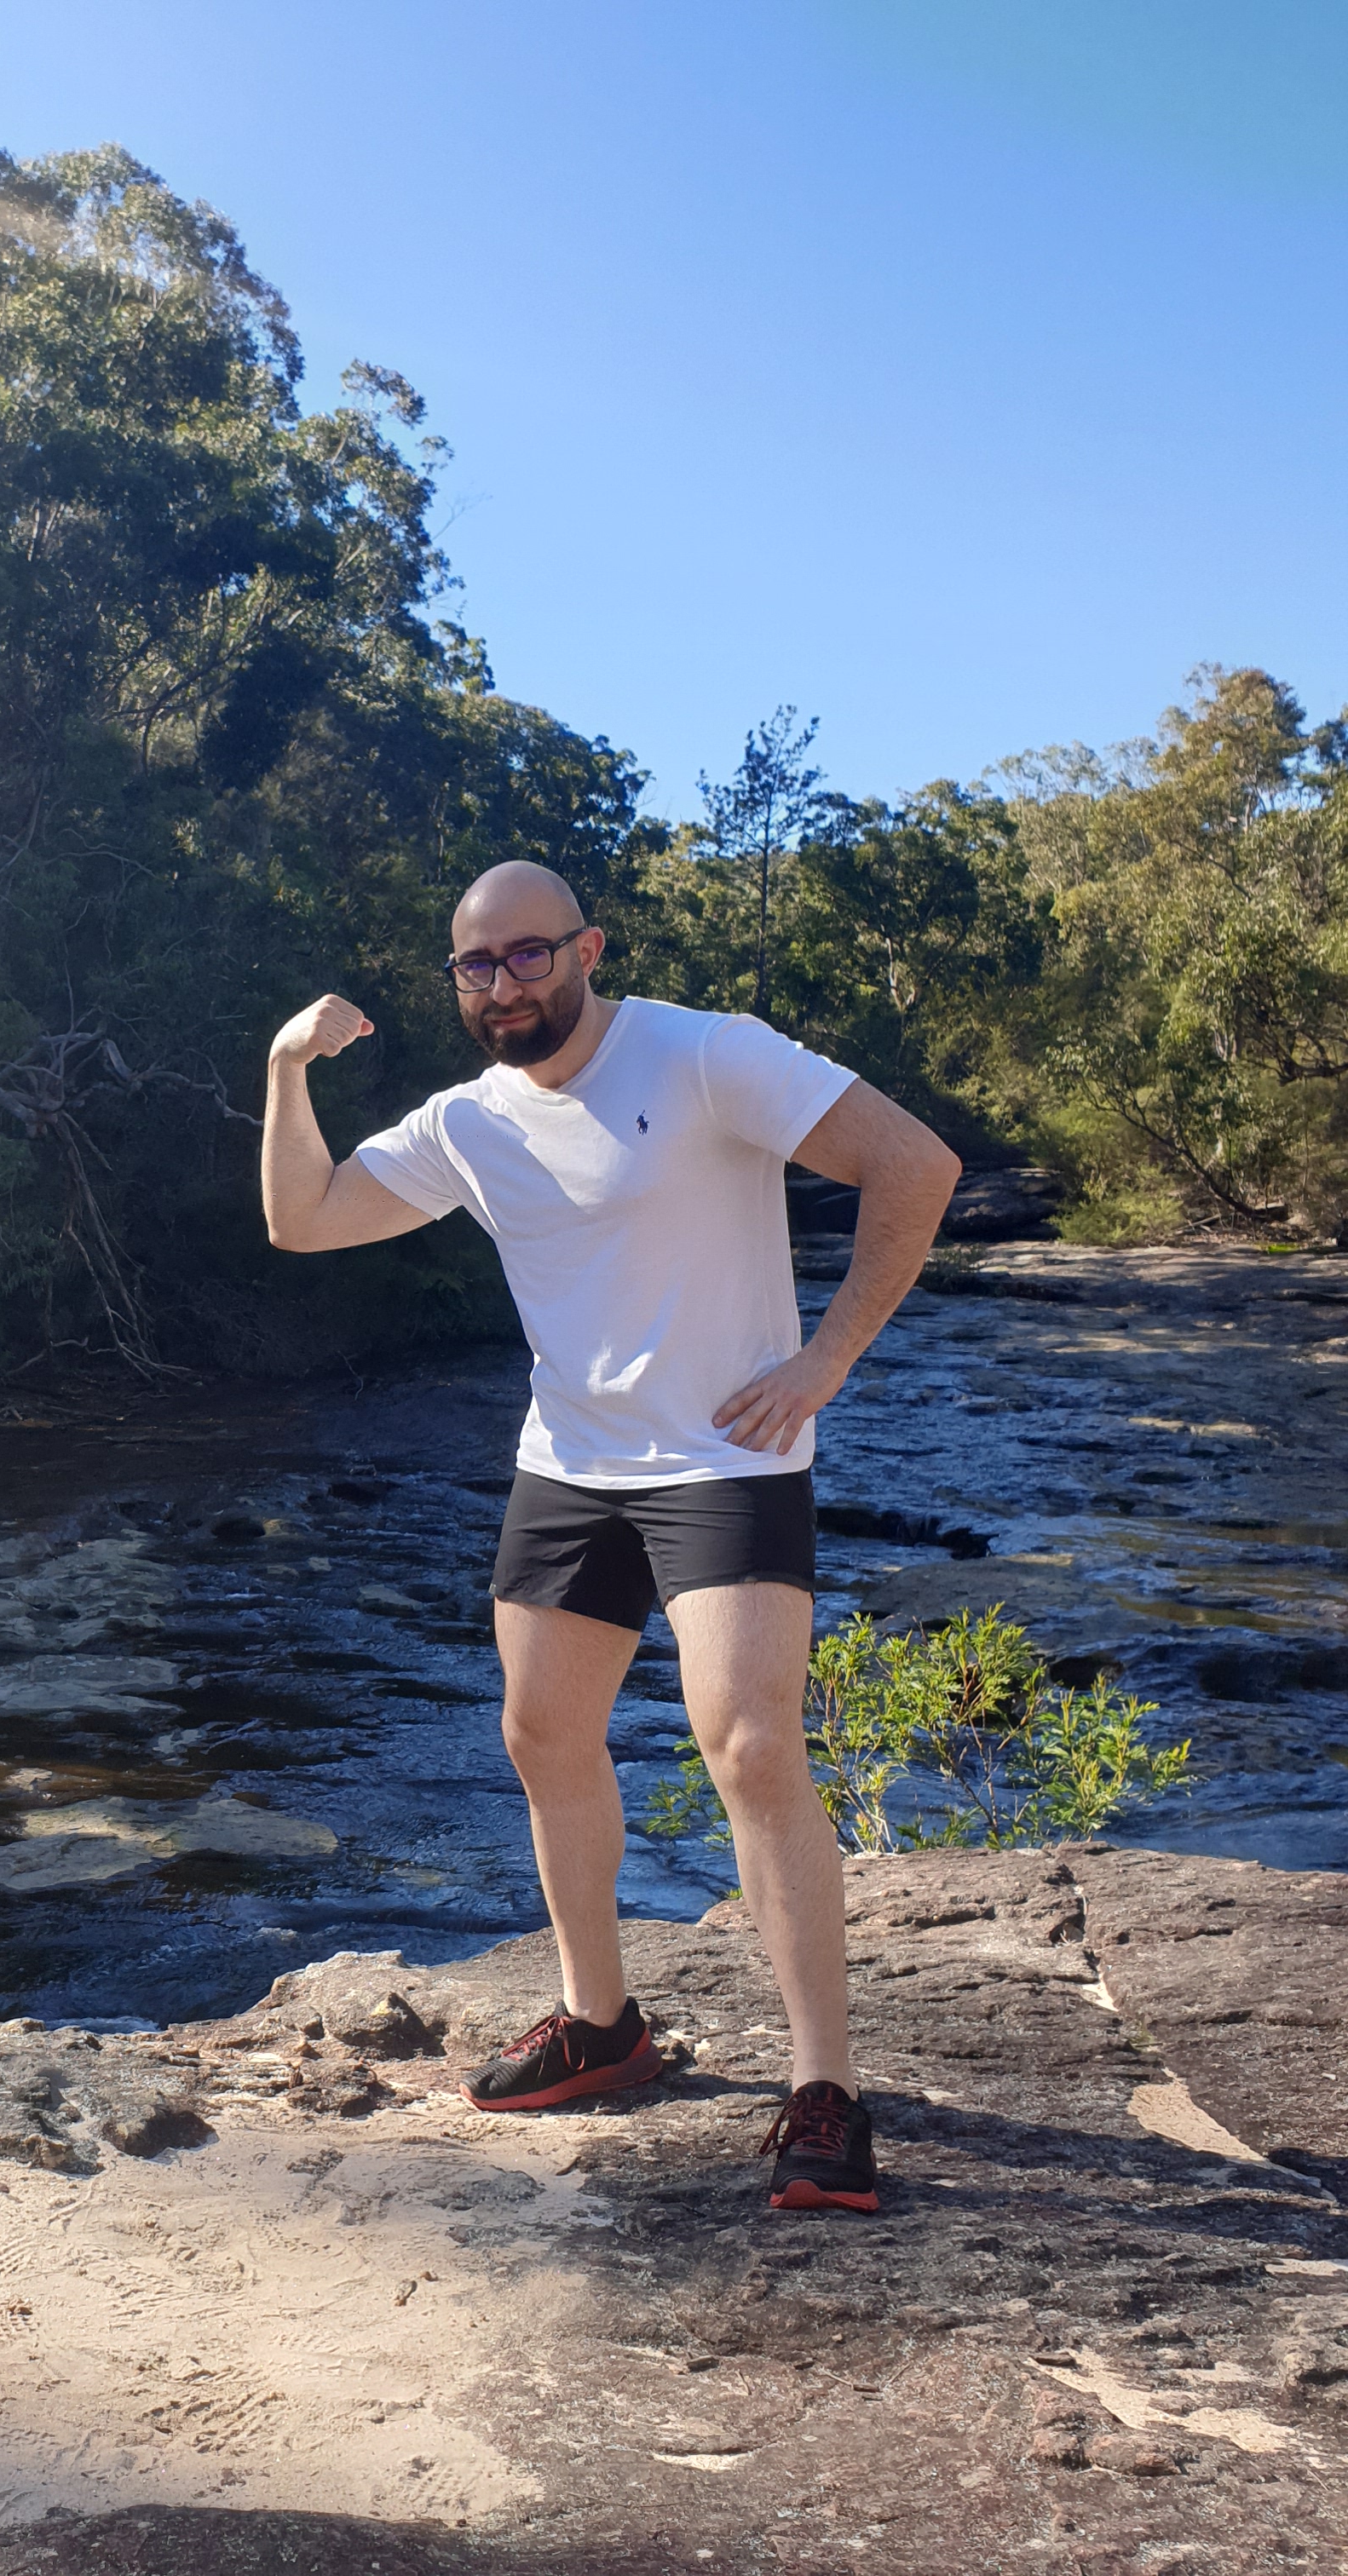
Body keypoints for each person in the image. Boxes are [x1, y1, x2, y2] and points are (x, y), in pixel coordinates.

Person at [260, 860, 959, 2213]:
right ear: (457, 980)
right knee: (541, 1736)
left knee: (750, 1743)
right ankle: (601, 2027)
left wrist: (825, 1361)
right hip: (571, 1467)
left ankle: (825, 2090)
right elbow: (303, 1220)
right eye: (479, 966)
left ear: (587, 947)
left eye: (530, 957)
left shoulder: (704, 1056)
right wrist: (289, 1070)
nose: (506, 984)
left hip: (727, 1454)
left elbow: (912, 1163)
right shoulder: (471, 1124)